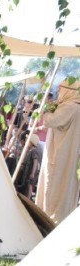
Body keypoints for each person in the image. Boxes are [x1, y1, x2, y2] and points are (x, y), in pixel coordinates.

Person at [35, 81, 80, 222]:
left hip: (60, 155)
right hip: (69, 156)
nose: (59, 93)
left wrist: (47, 110)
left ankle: (48, 220)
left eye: (61, 90)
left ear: (68, 91)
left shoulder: (70, 107)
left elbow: (50, 121)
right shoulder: (75, 107)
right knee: (65, 189)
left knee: (54, 188)